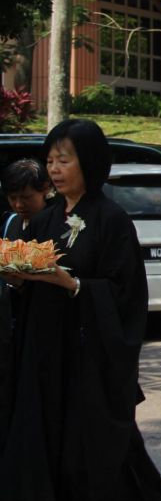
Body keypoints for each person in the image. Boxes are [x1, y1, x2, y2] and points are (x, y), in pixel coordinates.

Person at [0, 119, 161, 499]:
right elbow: (26, 282)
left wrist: (74, 284)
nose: (55, 170)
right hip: (44, 353)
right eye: (50, 161)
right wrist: (16, 279)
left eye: (64, 160)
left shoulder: (112, 221)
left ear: (90, 162)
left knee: (93, 450)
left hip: (90, 359)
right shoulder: (44, 219)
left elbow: (126, 295)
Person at [0, 159, 52, 443]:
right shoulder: (10, 222)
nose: (19, 204)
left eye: (26, 197)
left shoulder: (56, 224)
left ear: (45, 190)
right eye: (13, 197)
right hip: (11, 322)